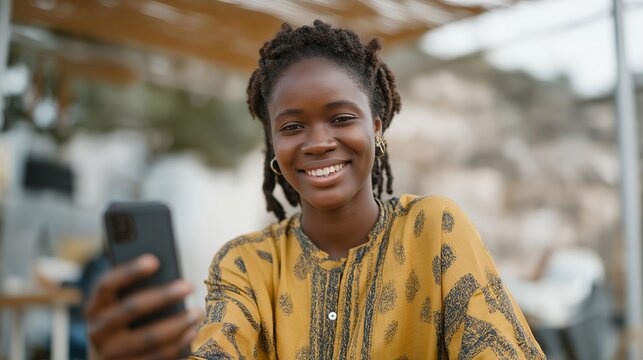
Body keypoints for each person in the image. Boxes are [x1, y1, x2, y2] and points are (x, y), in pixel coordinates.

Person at [86, 20, 545, 359]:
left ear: (377, 129)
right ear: (274, 144)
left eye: (342, 118)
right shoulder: (246, 264)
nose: (319, 142)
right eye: (292, 126)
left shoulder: (434, 229)